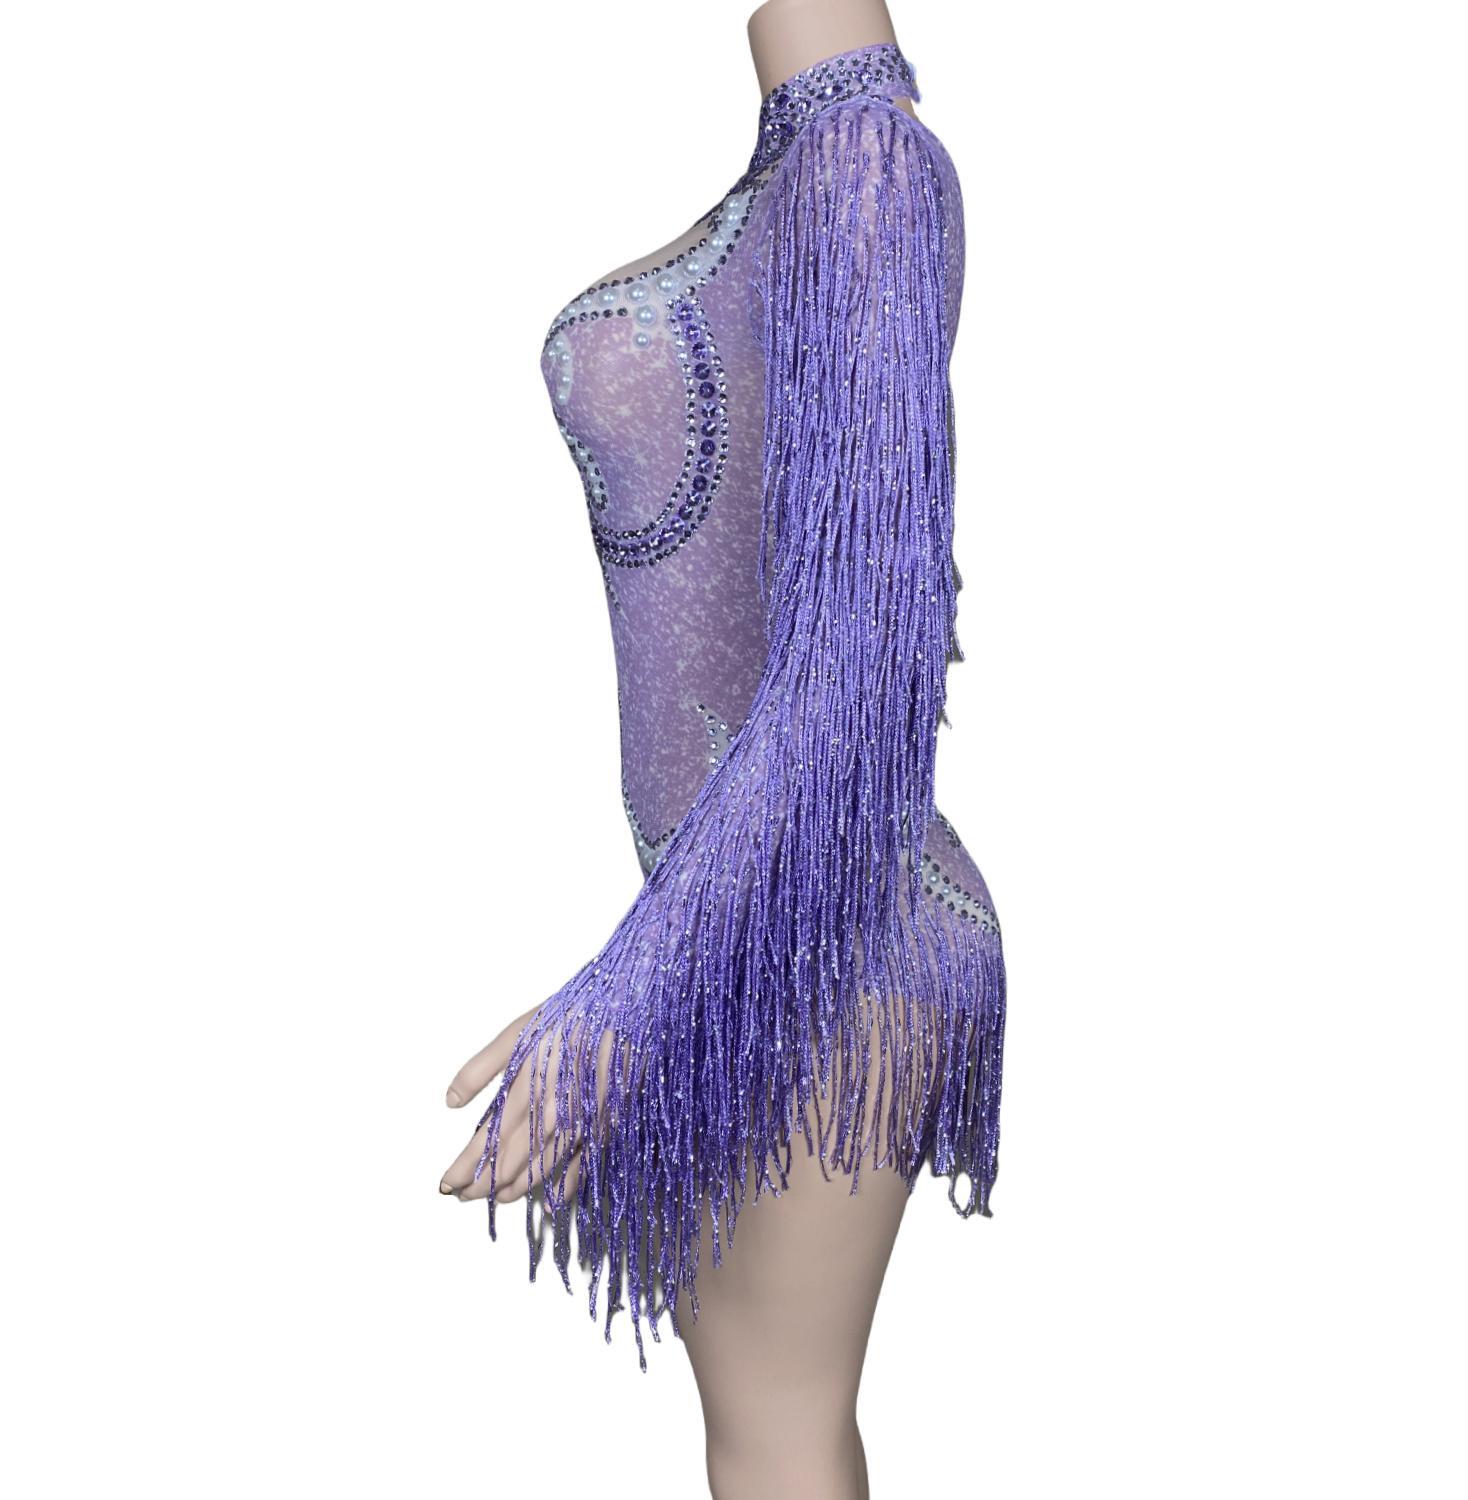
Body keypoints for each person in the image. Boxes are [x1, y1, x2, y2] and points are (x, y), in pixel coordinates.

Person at [440, 3, 1007, 1494]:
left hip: (836, 942)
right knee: (757, 1438)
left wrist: (628, 1002)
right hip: (727, 932)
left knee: (776, 1435)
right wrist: (657, 969)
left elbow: (863, 659)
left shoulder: (869, 169)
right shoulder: (804, 169)